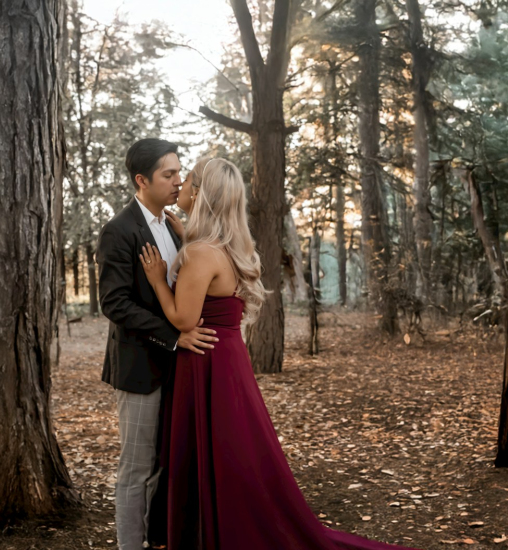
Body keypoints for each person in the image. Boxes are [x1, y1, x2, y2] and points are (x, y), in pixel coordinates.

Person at [139, 158, 420, 550]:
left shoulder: (200, 252)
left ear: (201, 194)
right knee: (235, 449)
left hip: (206, 361)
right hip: (229, 360)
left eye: (188, 180)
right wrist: (185, 234)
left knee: (215, 451)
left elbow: (185, 319)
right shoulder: (224, 245)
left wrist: (156, 281)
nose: (180, 185)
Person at [96, 139, 219, 550]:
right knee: (136, 468)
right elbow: (114, 303)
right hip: (140, 369)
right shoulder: (118, 230)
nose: (177, 181)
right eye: (168, 174)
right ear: (141, 180)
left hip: (179, 368)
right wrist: (173, 337)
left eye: (179, 172)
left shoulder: (172, 225)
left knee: (166, 465)